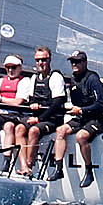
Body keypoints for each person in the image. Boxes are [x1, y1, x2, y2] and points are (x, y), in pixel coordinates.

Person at [52, 50, 103, 186]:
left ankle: (89, 172)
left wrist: (82, 110)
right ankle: (58, 168)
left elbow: (100, 104)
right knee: (60, 130)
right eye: (72, 61)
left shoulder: (92, 79)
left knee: (81, 136)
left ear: (85, 62)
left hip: (97, 118)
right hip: (80, 117)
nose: (74, 64)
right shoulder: (73, 79)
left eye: (77, 61)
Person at [17, 47, 67, 176]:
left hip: (52, 119)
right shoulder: (34, 78)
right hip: (37, 118)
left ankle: (29, 165)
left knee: (34, 131)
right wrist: (33, 104)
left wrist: (39, 119)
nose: (41, 63)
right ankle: (23, 166)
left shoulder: (55, 77)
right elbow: (32, 99)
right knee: (19, 129)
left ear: (49, 60)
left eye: (44, 60)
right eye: (38, 60)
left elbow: (58, 102)